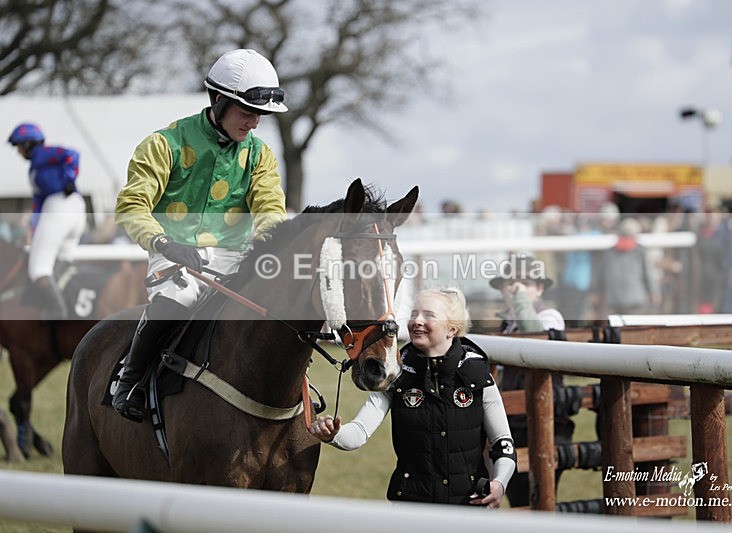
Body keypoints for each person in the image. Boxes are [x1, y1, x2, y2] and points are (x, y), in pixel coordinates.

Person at [113, 49, 288, 422]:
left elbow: (271, 210)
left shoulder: (260, 156)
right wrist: (164, 243)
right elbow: (131, 206)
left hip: (236, 257)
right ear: (219, 100)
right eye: (247, 111)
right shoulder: (164, 144)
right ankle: (130, 379)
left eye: (260, 114)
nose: (254, 122)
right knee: (173, 303)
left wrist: (268, 250)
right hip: (175, 253)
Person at [309, 287, 516, 508]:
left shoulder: (477, 374)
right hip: (410, 511)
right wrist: (334, 434)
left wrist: (499, 483)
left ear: (452, 329)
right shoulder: (395, 375)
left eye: (429, 315)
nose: (417, 321)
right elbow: (359, 433)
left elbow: (502, 443)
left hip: (469, 509)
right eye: (414, 314)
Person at [489, 255, 574, 507]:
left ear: (539, 289)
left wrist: (520, 299)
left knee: (540, 495)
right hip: (513, 423)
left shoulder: (550, 316)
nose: (516, 288)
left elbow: (534, 335)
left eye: (525, 283)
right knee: (518, 496)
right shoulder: (507, 325)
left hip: (546, 421)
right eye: (510, 284)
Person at [7, 123, 86, 320]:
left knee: (38, 269)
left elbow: (72, 154)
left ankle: (57, 312)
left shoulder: (42, 154)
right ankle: (65, 306)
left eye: (19, 147)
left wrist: (69, 178)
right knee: (62, 260)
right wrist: (35, 229)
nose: (18, 152)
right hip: (76, 209)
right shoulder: (35, 167)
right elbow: (38, 204)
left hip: (59, 207)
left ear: (28, 144)